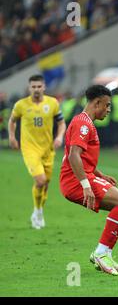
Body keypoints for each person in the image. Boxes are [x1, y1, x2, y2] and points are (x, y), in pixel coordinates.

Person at [59, 85, 118, 276]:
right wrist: (86, 185)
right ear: (97, 102)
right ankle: (101, 253)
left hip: (84, 176)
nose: (109, 109)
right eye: (107, 105)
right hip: (76, 180)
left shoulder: (86, 123)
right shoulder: (83, 124)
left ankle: (104, 253)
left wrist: (100, 175)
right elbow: (74, 156)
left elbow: (81, 158)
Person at [8, 74, 66, 229]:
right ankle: (37, 211)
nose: (36, 89)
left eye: (39, 86)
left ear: (44, 87)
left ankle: (38, 211)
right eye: (33, 87)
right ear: (29, 88)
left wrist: (60, 137)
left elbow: (61, 123)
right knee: (40, 180)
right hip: (30, 149)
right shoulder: (21, 105)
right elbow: (12, 121)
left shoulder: (52, 103)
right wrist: (12, 137)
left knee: (45, 184)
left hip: (48, 149)